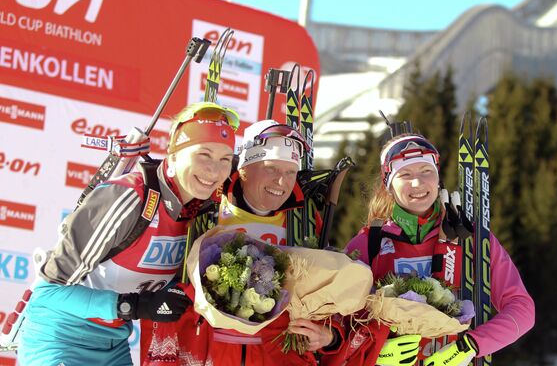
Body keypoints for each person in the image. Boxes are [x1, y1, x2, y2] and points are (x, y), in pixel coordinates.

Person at [17, 102, 240, 366]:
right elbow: (47, 294)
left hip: (113, 344)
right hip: (59, 339)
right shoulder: (131, 198)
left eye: (224, 159)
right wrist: (134, 306)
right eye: (203, 154)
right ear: (175, 153)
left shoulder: (202, 214)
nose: (214, 171)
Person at [142, 119, 342, 366]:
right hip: (206, 350)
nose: (282, 182)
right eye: (271, 169)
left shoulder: (304, 220)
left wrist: (328, 335)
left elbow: (327, 297)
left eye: (290, 172)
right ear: (244, 168)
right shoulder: (205, 207)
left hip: (276, 354)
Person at [327, 133, 535, 366]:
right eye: (405, 174)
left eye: (426, 171)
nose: (418, 183)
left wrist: (470, 346)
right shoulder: (368, 243)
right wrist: (375, 349)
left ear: (437, 179)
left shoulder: (470, 236)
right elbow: (336, 324)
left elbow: (522, 310)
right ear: (388, 185)